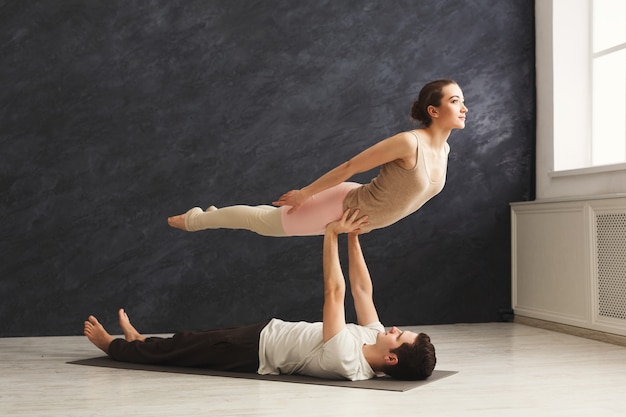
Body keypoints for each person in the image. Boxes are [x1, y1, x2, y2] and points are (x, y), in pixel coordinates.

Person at [85, 209, 437, 381]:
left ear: (391, 359)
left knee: (185, 351)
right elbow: (362, 289)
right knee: (188, 341)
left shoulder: (349, 363)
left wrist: (330, 235)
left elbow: (335, 293)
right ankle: (140, 342)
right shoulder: (374, 338)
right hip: (266, 331)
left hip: (253, 352)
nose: (391, 328)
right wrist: (353, 236)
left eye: (397, 335)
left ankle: (114, 347)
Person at [167, 79, 467, 236]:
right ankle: (197, 219)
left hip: (354, 217)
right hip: (341, 207)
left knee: (262, 220)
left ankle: (210, 213)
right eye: (455, 101)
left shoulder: (444, 150)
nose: (464, 107)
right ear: (434, 110)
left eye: (464, 101)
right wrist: (304, 194)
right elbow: (351, 166)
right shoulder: (408, 143)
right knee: (262, 221)